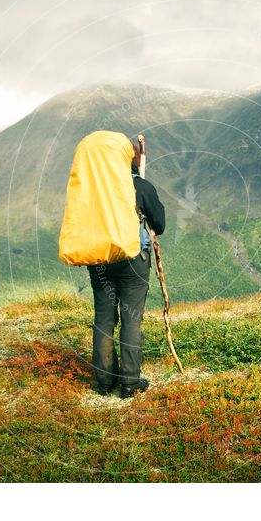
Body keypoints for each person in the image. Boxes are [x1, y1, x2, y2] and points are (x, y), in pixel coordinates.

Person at [87, 139, 165, 398]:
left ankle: (104, 382)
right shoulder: (140, 186)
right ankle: (129, 382)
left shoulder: (95, 188)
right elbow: (160, 224)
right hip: (133, 260)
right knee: (132, 318)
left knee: (104, 318)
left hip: (99, 260)